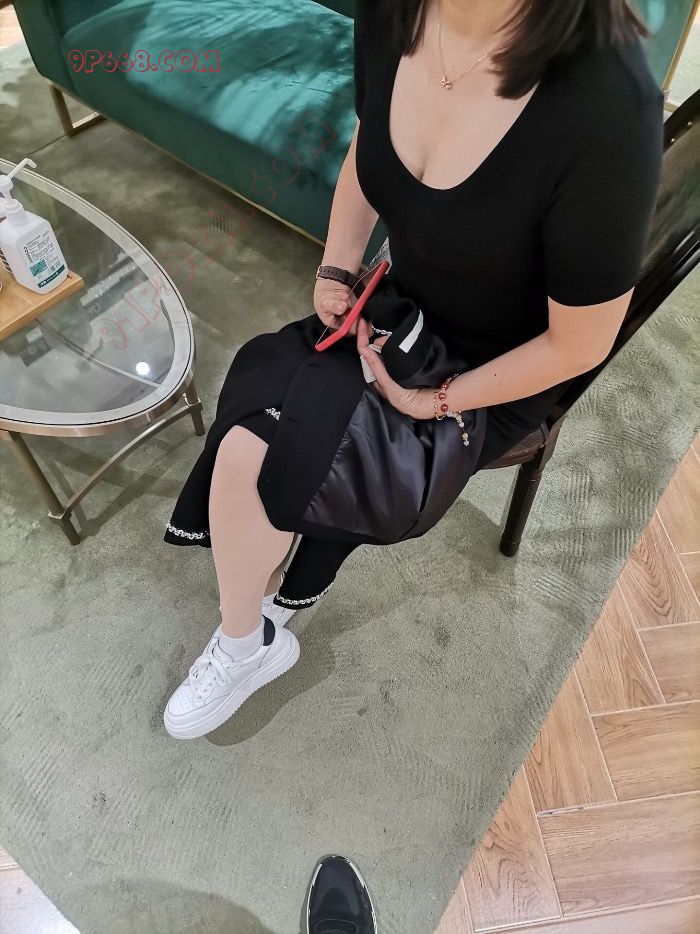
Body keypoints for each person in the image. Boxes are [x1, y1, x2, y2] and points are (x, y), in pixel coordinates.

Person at [161, 0, 664, 739]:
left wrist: (436, 400)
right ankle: (256, 631)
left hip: (495, 372)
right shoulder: (394, 13)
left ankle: (252, 635)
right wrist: (337, 266)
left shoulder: (606, 106)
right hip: (398, 307)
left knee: (283, 451)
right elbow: (370, 147)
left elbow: (579, 344)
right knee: (259, 409)